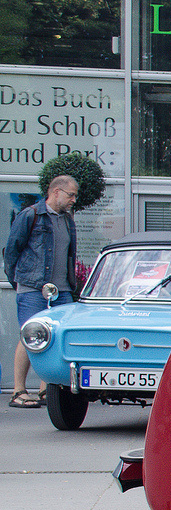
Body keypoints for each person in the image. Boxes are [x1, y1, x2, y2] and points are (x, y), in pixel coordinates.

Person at [6, 173, 81, 408]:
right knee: (30, 336)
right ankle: (18, 391)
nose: (74, 200)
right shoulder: (31, 215)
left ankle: (46, 390)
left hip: (62, 290)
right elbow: (11, 251)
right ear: (56, 192)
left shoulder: (67, 220)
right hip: (33, 288)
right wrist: (21, 283)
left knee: (57, 338)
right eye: (71, 195)